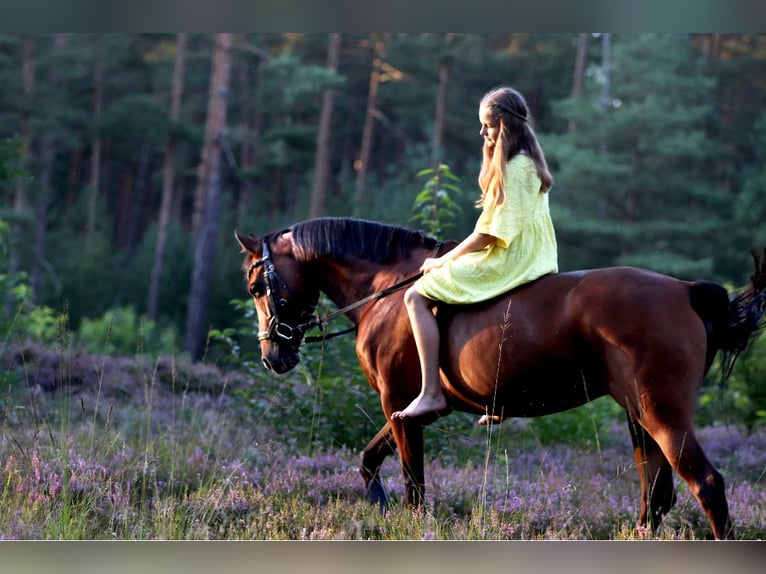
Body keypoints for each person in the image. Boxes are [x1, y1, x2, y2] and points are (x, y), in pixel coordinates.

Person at [391, 86, 558, 421]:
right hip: (529, 253)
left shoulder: (519, 166)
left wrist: (444, 259)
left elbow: (490, 234)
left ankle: (430, 393)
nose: (482, 132)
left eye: (489, 125)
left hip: (513, 256)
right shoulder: (521, 162)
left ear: (506, 126)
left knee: (415, 297)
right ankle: (496, 393)